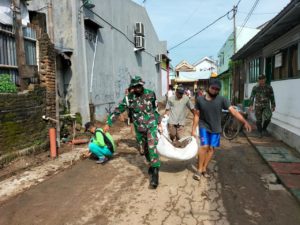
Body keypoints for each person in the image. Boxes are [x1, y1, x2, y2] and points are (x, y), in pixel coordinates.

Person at [103, 76, 162, 189]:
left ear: (142, 85)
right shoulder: (129, 98)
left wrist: (159, 123)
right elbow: (118, 110)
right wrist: (108, 123)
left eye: (139, 86)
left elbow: (155, 109)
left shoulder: (150, 94)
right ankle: (151, 164)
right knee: (144, 150)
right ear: (132, 87)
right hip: (139, 129)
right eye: (135, 87)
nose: (137, 88)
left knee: (151, 147)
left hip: (151, 125)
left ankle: (155, 175)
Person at [191, 79, 252, 180]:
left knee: (211, 148)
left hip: (216, 127)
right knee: (204, 146)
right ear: (208, 87)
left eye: (217, 89)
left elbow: (234, 112)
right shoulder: (200, 100)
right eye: (213, 88)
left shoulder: (222, 99)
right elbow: (197, 115)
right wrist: (193, 129)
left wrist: (244, 122)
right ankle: (199, 169)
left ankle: (205, 168)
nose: (215, 90)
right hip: (204, 126)